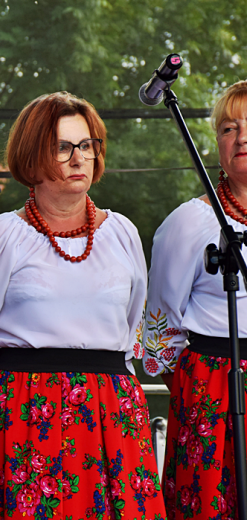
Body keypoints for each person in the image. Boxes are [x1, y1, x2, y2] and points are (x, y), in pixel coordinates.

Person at [0, 92, 166, 517]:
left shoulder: (122, 232)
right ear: (33, 158)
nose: (78, 158)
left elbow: (131, 328)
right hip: (23, 414)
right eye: (62, 147)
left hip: (111, 412)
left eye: (86, 146)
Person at [142, 80, 247, 519]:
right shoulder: (189, 223)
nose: (242, 138)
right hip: (210, 382)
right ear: (217, 142)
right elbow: (160, 326)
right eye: (229, 128)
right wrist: (198, 388)